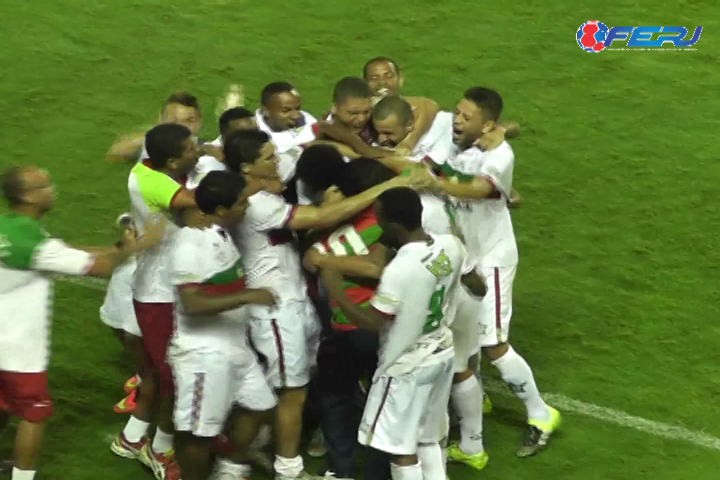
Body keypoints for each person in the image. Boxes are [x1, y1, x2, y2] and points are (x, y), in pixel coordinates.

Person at [222, 129, 431, 480]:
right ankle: (276, 468)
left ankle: (260, 450)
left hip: (294, 301)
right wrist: (387, 187)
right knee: (291, 392)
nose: (278, 163)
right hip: (275, 308)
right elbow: (319, 220)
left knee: (300, 386)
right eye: (269, 159)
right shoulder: (255, 204)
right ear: (246, 167)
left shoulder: (263, 186)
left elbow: (307, 152)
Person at [0, 166, 163, 480]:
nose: (52, 189)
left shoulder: (12, 226)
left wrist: (119, 248)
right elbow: (94, 266)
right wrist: (137, 248)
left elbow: (63, 252)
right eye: (43, 185)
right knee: (33, 415)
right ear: (26, 196)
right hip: (17, 348)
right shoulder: (30, 239)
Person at [315, 187, 487, 480]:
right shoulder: (451, 245)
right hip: (440, 353)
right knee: (428, 439)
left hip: (404, 366)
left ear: (391, 224)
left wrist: (334, 287)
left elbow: (371, 321)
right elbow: (475, 284)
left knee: (401, 450)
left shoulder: (399, 270)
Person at [436, 87, 561, 457]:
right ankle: (477, 407)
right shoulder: (459, 136)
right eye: (456, 113)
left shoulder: (500, 154)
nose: (456, 120)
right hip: (467, 257)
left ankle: (541, 414)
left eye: (465, 117)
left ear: (485, 124)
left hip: (491, 258)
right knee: (464, 336)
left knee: (492, 342)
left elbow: (476, 188)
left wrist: (433, 182)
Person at [168, 171, 278, 480]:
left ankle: (229, 470)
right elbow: (192, 303)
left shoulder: (218, 228)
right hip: (203, 354)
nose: (247, 206)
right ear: (220, 209)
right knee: (199, 434)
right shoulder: (191, 246)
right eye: (241, 203)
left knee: (260, 405)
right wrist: (248, 295)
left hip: (234, 345)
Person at [111, 123, 199, 480]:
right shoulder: (158, 184)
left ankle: (131, 437)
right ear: (173, 159)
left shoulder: (144, 170)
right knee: (174, 376)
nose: (198, 150)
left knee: (153, 371)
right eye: (192, 147)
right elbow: (204, 204)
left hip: (153, 287)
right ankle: (161, 448)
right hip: (162, 293)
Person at [302, 159, 397, 480]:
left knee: (335, 402)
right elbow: (375, 268)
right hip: (373, 326)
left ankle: (339, 470)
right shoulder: (382, 220)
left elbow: (310, 259)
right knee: (379, 402)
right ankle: (378, 473)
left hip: (342, 328)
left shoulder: (329, 224)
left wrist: (326, 260)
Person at [106, 92, 203, 163]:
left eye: (189, 120)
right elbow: (113, 155)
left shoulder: (205, 152)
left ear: (199, 122)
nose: (181, 126)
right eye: (174, 120)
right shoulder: (147, 143)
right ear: (161, 119)